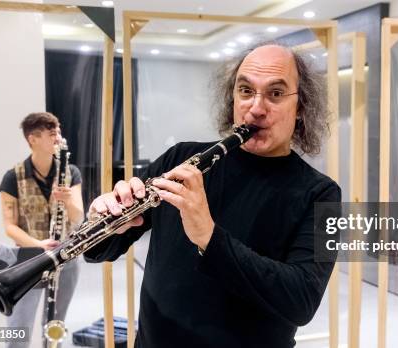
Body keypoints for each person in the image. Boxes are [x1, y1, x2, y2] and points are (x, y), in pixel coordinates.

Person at [84, 44, 341, 347]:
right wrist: (99, 222)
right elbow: (101, 250)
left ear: (301, 108)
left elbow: (302, 300)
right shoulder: (180, 158)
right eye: (245, 90)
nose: (256, 108)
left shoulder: (323, 194)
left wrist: (208, 236)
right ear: (232, 97)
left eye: (275, 93)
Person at [0, 112, 84, 348]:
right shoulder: (12, 177)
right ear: (32, 139)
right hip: (27, 260)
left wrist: (67, 201)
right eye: (51, 133)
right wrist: (39, 245)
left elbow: (79, 219)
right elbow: (10, 226)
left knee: (55, 324)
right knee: (19, 327)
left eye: (57, 131)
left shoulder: (70, 172)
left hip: (65, 258)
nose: (57, 137)